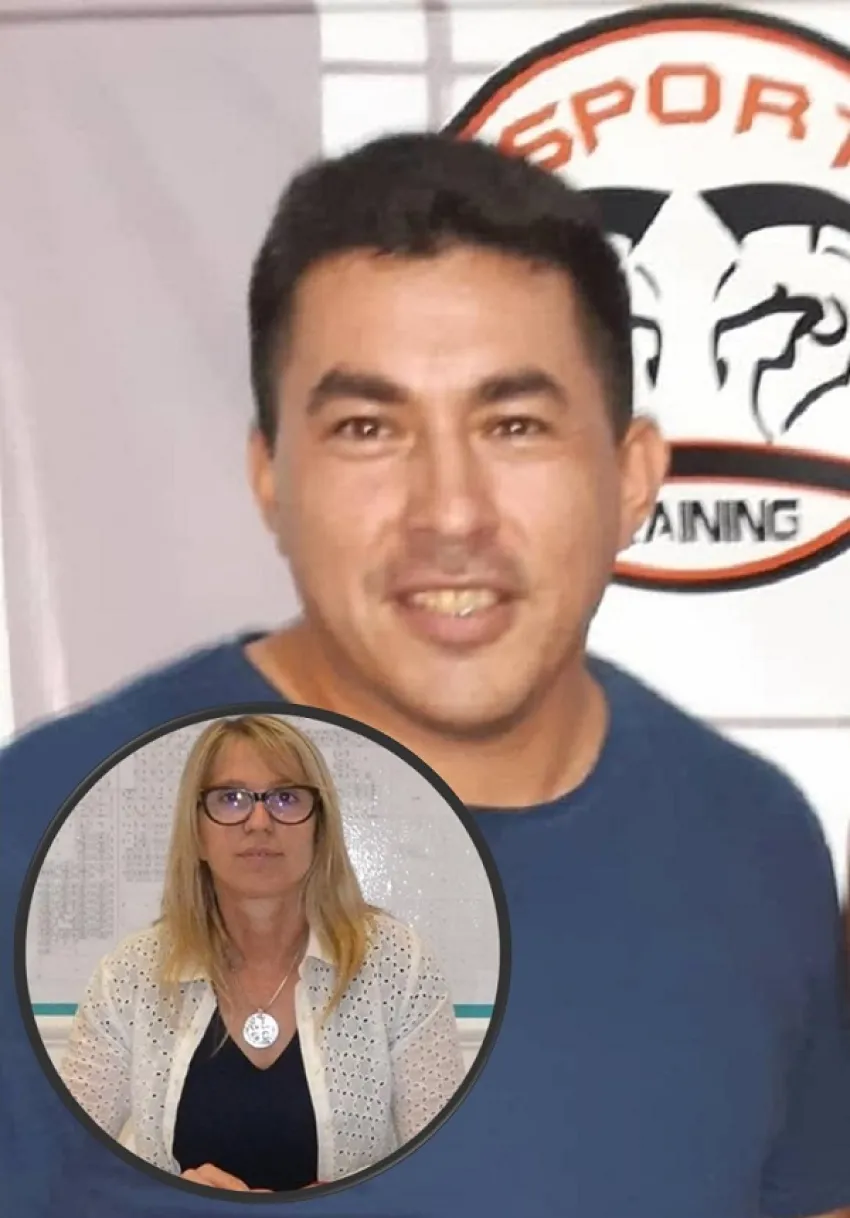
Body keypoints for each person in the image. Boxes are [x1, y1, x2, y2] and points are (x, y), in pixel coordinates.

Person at [2, 132, 850, 1218]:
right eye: (368, 428)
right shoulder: (38, 844)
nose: (450, 514)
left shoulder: (756, 841)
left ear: (631, 475)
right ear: (271, 478)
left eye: (515, 425)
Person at [57, 714, 464, 1192]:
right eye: (230, 799)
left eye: (285, 798)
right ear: (197, 832)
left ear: (319, 828)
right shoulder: (128, 977)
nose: (258, 821)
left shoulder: (398, 965)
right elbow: (57, 1169)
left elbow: (448, 1178)